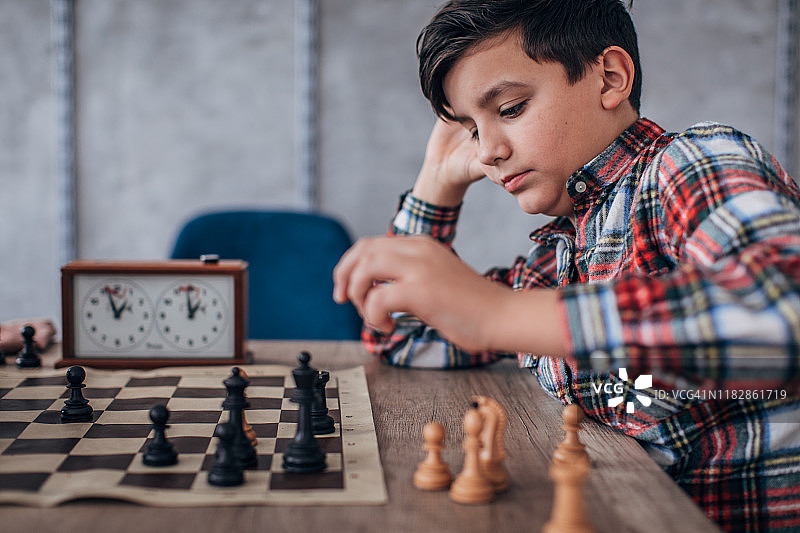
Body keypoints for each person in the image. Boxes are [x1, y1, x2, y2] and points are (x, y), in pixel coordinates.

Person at [332, 0, 800, 531]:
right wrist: (437, 181)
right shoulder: (559, 258)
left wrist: (498, 314)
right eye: (471, 129)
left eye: (508, 109)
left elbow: (785, 309)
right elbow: (402, 334)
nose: (487, 151)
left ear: (610, 78)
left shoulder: (690, 164)